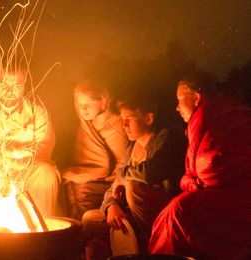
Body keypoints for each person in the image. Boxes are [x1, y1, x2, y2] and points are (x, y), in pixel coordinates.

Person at [149, 73, 251, 259]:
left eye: (180, 100)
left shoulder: (205, 114)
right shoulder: (234, 108)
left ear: (195, 97)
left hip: (235, 197)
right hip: (240, 194)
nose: (177, 107)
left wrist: (192, 183)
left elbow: (208, 170)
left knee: (176, 214)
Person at [81, 93, 185, 258]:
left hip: (162, 215)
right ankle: (124, 245)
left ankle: (149, 244)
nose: (124, 125)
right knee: (89, 219)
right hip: (130, 215)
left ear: (148, 119)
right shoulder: (132, 148)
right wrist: (111, 206)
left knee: (134, 187)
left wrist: (123, 176)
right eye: (122, 119)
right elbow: (114, 185)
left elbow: (151, 172)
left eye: (129, 119)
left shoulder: (166, 138)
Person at [0, 68, 60, 217]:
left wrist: (21, 158)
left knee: (46, 174)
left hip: (28, 169)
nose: (9, 90)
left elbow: (45, 147)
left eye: (16, 85)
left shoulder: (38, 113)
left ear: (25, 82)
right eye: (4, 84)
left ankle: (40, 230)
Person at [62, 79, 129, 220]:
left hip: (107, 182)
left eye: (89, 104)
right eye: (80, 105)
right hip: (90, 178)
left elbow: (122, 165)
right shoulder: (86, 125)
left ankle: (81, 233)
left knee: (81, 192)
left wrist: (93, 177)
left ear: (103, 102)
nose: (83, 109)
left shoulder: (115, 126)